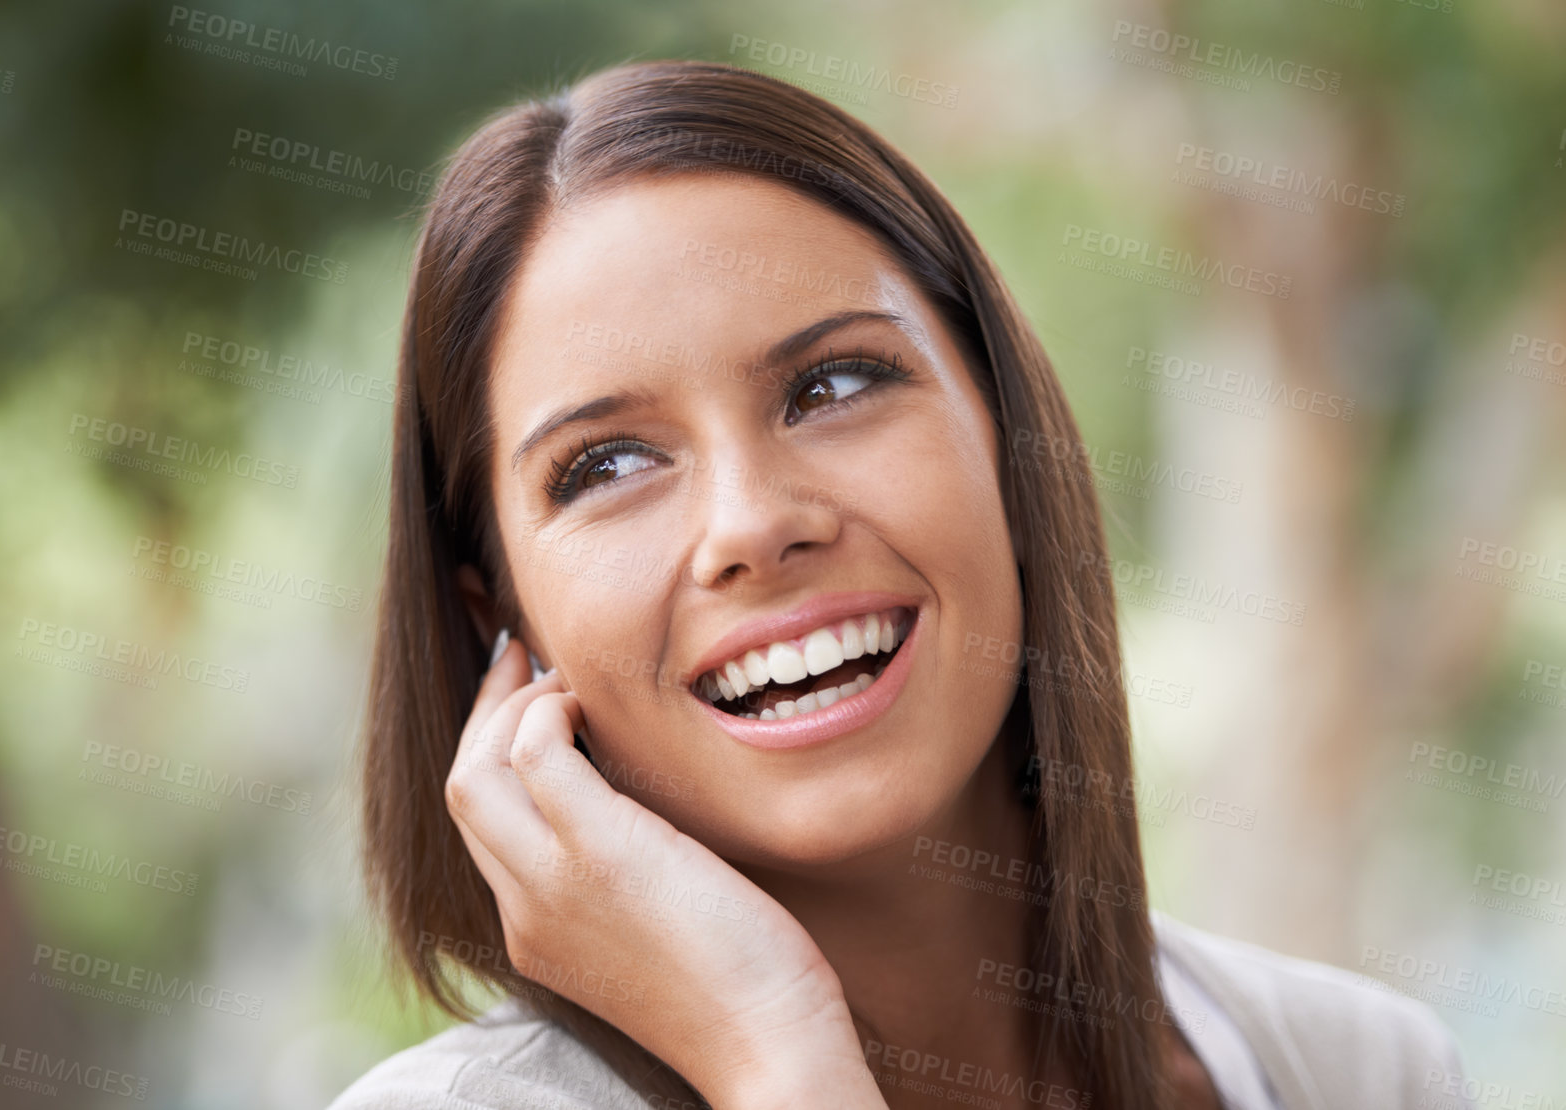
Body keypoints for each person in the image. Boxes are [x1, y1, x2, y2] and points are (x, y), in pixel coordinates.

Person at [330, 59, 1468, 1110]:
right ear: (502, 619)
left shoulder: (1359, 1069)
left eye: (830, 385)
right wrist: (776, 1051)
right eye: (607, 466)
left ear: (1004, 436)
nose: (753, 524)